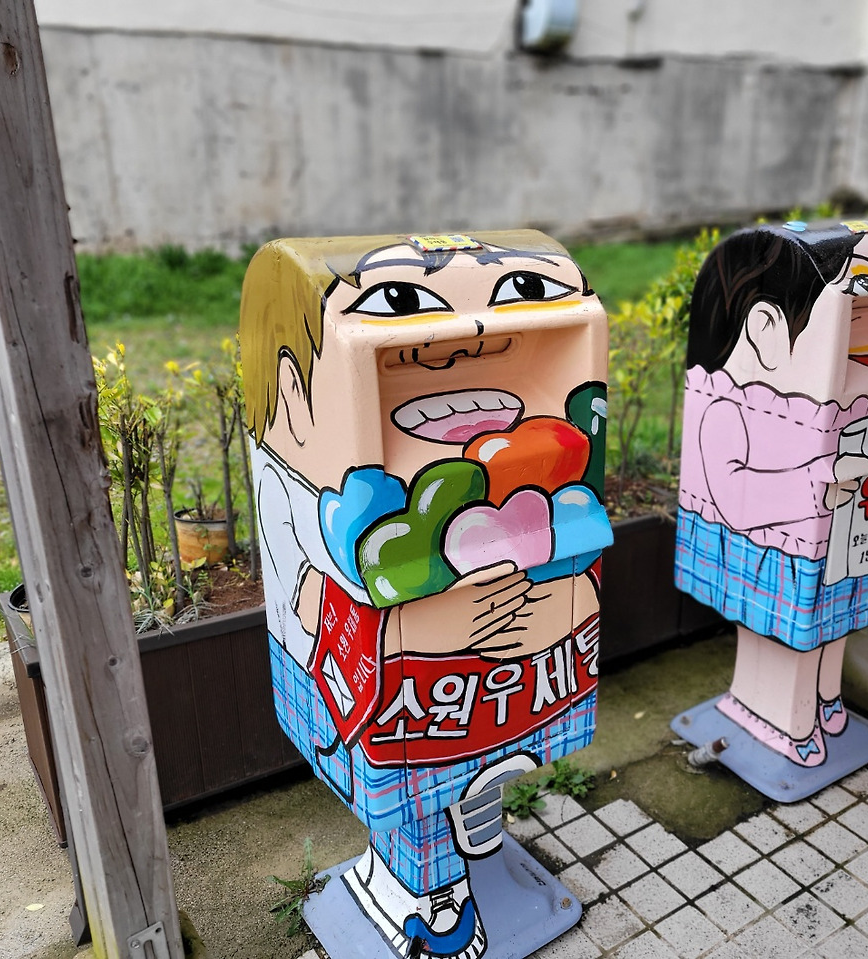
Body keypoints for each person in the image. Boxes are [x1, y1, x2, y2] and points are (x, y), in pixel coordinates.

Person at [241, 232, 610, 959]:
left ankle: (471, 858)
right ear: (290, 389)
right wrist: (443, 628)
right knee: (415, 791)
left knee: (481, 768)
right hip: (408, 689)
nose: (461, 343)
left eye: (521, 293)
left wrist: (559, 606)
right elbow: (313, 601)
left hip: (488, 687)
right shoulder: (296, 493)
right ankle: (424, 896)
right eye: (403, 302)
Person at [676, 217, 868, 768]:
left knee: (830, 623)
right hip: (772, 551)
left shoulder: (838, 392)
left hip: (841, 544)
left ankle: (823, 699)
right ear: (764, 326)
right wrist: (819, 480)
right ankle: (774, 714)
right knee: (781, 630)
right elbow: (732, 491)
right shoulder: (725, 406)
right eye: (858, 302)